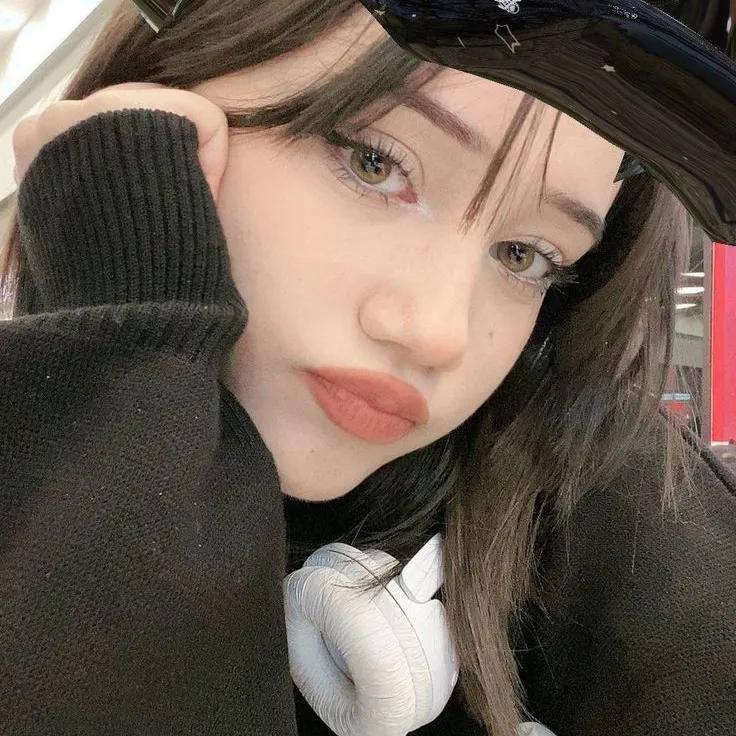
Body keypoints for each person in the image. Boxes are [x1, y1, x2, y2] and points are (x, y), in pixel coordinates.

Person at [1, 1, 734, 735]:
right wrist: (126, 372)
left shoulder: (614, 516)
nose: (437, 333)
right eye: (373, 162)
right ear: (161, 94)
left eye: (526, 255)